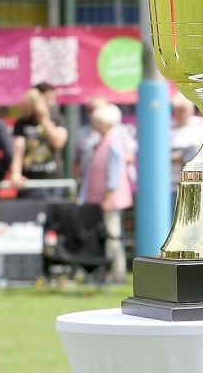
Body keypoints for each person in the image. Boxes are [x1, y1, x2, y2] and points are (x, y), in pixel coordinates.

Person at [79, 104, 133, 283]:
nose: (93, 124)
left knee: (113, 236)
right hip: (103, 198)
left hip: (109, 200)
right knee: (109, 235)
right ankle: (109, 271)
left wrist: (108, 197)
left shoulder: (113, 141)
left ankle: (116, 273)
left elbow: (115, 171)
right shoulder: (105, 140)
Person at [10, 88, 69, 199]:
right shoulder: (22, 124)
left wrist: (43, 118)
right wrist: (16, 174)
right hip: (30, 184)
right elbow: (17, 152)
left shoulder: (57, 119)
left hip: (52, 183)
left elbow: (58, 143)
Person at [170, 93, 203, 185]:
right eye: (178, 111)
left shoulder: (200, 125)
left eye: (184, 110)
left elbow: (197, 151)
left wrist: (181, 155)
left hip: (193, 179)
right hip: (171, 180)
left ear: (191, 110)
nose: (181, 114)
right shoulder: (168, 127)